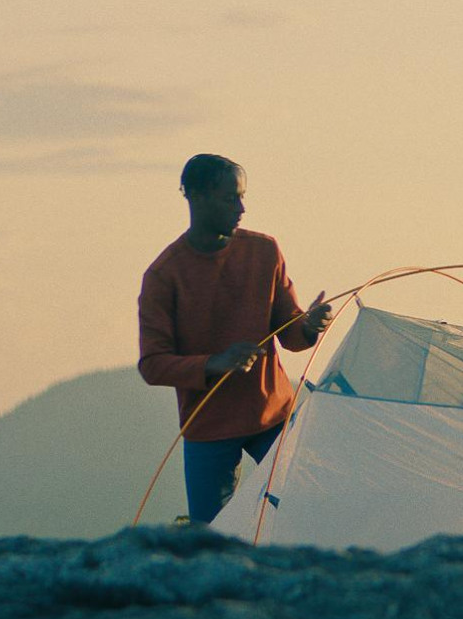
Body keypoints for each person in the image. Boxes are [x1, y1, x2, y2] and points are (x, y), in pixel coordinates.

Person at [137, 154, 332, 524]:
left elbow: (289, 331)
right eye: (231, 199)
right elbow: (152, 364)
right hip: (209, 428)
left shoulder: (264, 251)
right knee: (213, 535)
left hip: (273, 416)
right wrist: (215, 363)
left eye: (242, 197)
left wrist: (309, 326)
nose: (241, 208)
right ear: (195, 196)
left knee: (303, 517)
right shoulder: (165, 275)